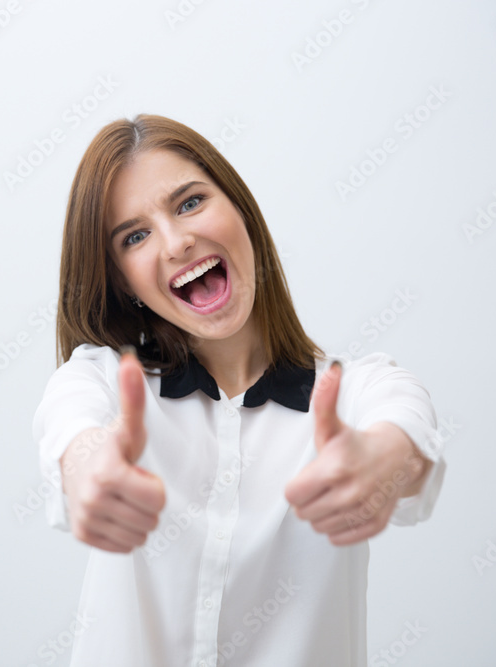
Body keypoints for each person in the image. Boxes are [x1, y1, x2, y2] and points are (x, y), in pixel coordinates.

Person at [31, 113, 447, 667]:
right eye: (135, 236)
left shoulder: (357, 391)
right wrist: (88, 468)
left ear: (241, 211)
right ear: (122, 282)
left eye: (189, 203)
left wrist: (383, 461)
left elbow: (407, 432)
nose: (176, 242)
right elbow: (69, 429)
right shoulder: (102, 380)